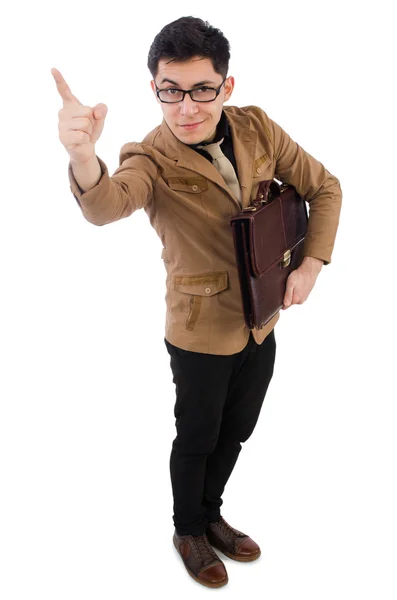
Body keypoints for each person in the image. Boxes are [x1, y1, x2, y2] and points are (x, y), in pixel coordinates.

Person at [52, 16, 342, 589]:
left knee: (239, 427)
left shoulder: (257, 128)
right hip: (199, 327)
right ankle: (188, 529)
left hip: (262, 317)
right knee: (198, 435)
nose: (187, 107)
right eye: (171, 91)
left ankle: (212, 514)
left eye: (202, 90)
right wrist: (84, 156)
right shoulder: (149, 157)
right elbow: (108, 204)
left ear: (225, 87)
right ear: (154, 87)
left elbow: (325, 186)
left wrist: (310, 264)